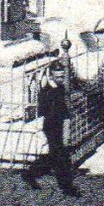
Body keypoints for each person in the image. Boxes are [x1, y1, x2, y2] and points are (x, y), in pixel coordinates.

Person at [22, 59, 79, 195]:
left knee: (55, 156)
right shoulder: (47, 90)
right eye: (58, 77)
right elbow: (45, 110)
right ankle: (67, 187)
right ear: (51, 76)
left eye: (62, 76)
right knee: (60, 156)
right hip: (51, 125)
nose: (61, 79)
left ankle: (31, 173)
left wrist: (66, 120)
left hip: (59, 124)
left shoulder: (59, 89)